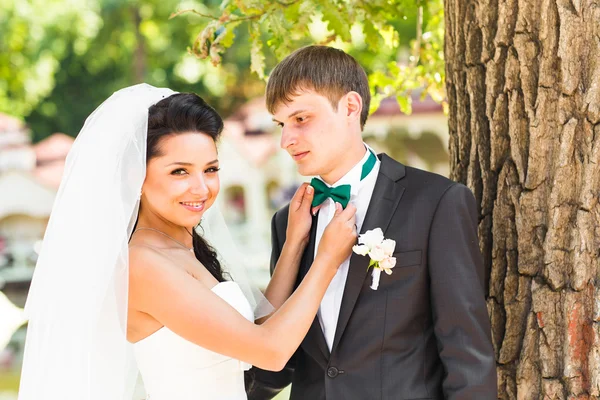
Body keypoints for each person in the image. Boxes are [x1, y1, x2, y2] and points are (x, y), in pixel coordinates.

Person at [17, 84, 357, 400]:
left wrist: (295, 241)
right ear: (137, 176)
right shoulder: (143, 264)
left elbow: (256, 330)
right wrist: (326, 259)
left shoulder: (182, 249)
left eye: (210, 169)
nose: (201, 188)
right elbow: (269, 351)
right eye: (180, 171)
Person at [245, 46, 498, 399]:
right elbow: (276, 362)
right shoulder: (288, 222)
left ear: (350, 107)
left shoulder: (436, 203)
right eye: (281, 124)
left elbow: (467, 354)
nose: (287, 140)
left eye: (301, 119)